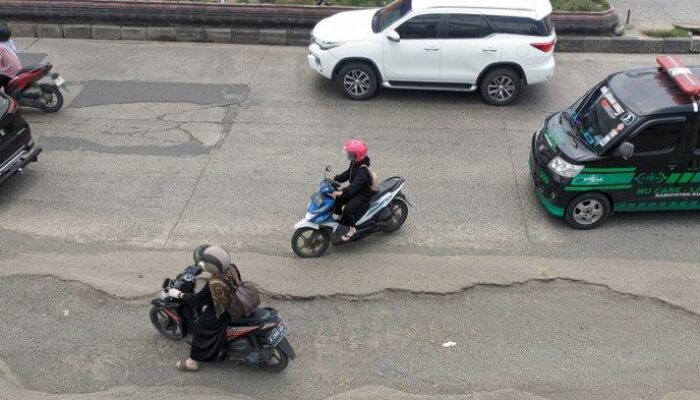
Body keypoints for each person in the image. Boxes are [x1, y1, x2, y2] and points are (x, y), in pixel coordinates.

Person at [166, 245, 241, 372]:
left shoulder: (214, 283)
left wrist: (178, 294)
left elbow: (197, 302)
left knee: (200, 328)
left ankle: (192, 363)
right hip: (234, 302)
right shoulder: (232, 268)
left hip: (221, 313)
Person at [331, 139, 375, 241]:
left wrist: (341, 191)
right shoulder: (355, 162)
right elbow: (348, 173)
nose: (349, 156)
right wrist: (335, 178)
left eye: (351, 154)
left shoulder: (362, 169)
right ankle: (341, 218)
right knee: (338, 198)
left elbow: (354, 187)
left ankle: (352, 229)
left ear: (358, 155)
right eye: (349, 154)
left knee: (348, 209)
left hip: (363, 193)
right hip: (356, 190)